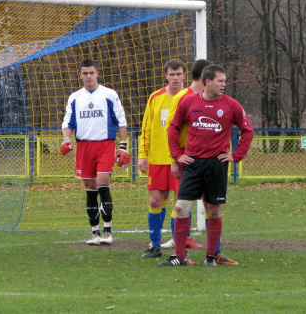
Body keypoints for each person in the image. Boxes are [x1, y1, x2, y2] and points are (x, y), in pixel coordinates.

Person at [162, 64, 253, 266]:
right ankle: (180, 256)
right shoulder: (189, 102)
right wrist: (177, 155)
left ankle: (211, 256)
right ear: (207, 82)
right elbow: (173, 128)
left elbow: (248, 131)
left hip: (216, 164)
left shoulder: (232, 105)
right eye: (220, 81)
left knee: (213, 210)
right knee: (181, 207)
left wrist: (236, 155)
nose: (224, 85)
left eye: (225, 81)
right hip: (193, 163)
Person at [60, 59, 131, 246]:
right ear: (81, 75)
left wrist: (122, 145)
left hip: (105, 145)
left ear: (97, 74)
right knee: (90, 189)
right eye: (85, 73)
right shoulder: (75, 97)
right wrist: (66, 139)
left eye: (92, 73)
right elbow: (68, 122)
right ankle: (94, 233)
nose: (89, 76)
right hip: (84, 147)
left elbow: (121, 121)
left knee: (103, 184)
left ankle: (108, 231)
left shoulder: (109, 94)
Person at [139, 59, 202, 258]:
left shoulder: (191, 97)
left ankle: (180, 242)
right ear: (165, 75)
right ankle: (155, 245)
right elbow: (146, 128)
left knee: (180, 202)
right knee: (156, 201)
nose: (175, 78)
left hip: (181, 158)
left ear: (185, 75)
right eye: (171, 74)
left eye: (179, 74)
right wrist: (143, 155)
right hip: (157, 159)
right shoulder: (155, 97)